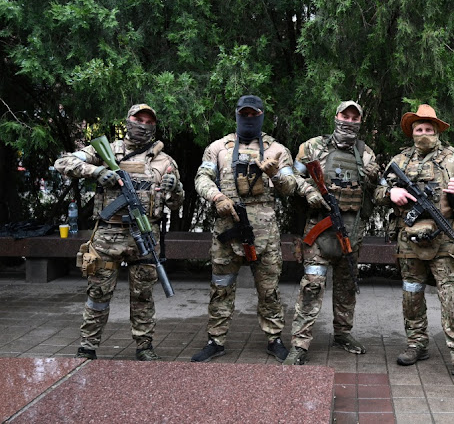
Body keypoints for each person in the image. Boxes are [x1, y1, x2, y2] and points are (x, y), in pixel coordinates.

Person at [55, 104, 184, 361]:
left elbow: (176, 203)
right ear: (128, 120)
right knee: (98, 293)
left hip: (145, 236)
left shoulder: (165, 161)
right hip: (107, 235)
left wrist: (175, 187)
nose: (143, 124)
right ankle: (87, 347)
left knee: (143, 296)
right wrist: (98, 171)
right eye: (139, 119)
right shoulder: (106, 151)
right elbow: (63, 162)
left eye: (149, 121)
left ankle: (144, 346)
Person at [374, 104, 454, 388]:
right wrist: (392, 191)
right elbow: (378, 191)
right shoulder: (399, 160)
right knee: (411, 294)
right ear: (412, 132)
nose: (423, 133)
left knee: (452, 298)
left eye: (428, 129)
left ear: (437, 132)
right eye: (418, 129)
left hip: (446, 240)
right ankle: (416, 343)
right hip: (409, 240)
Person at [191, 95, 296, 363]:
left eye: (254, 114)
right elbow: (202, 177)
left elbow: (290, 187)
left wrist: (275, 175)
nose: (248, 119)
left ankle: (274, 338)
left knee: (268, 288)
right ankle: (216, 340)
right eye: (244, 114)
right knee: (221, 286)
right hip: (228, 227)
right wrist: (217, 197)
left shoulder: (277, 150)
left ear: (261, 115)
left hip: (265, 233)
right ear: (237, 115)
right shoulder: (218, 148)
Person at [284, 101, 380, 365]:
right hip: (319, 232)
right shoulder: (313, 146)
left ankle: (343, 334)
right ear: (336, 117)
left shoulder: (365, 153)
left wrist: (374, 178)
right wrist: (310, 192)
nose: (348, 121)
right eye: (344, 116)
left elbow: (380, 190)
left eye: (354, 118)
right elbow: (292, 176)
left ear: (359, 122)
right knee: (313, 286)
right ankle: (300, 344)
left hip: (351, 232)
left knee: (347, 287)